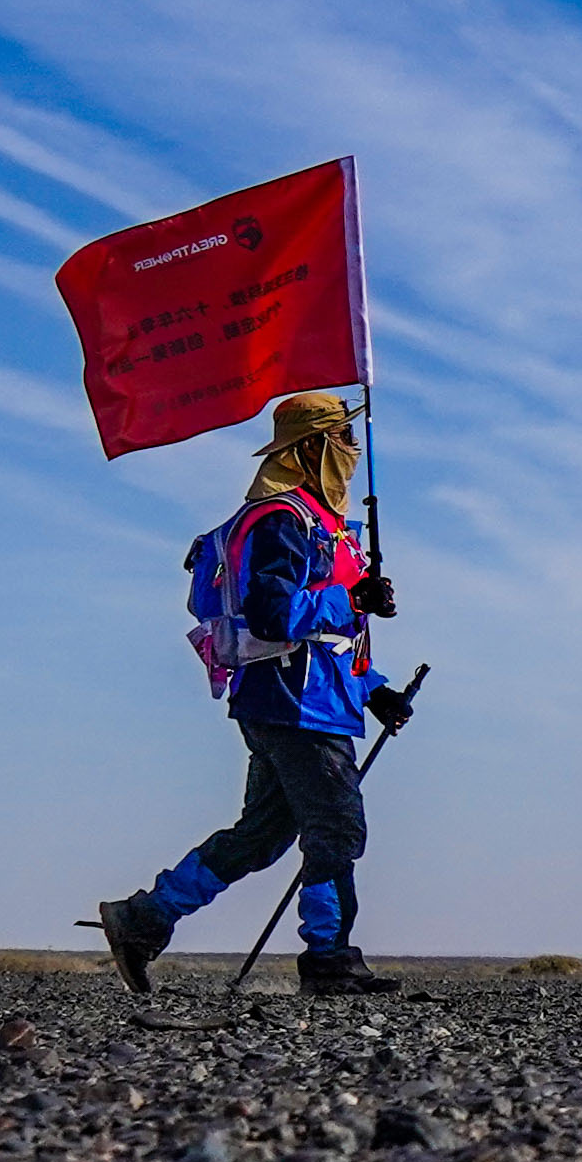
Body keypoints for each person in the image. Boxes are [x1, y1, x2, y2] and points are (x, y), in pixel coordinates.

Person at [93, 392, 413, 999]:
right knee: (336, 827)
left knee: (262, 836)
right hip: (297, 704)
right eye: (344, 439)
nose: (353, 449)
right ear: (315, 447)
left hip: (299, 697)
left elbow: (329, 639)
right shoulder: (281, 520)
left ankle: (141, 920)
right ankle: (329, 960)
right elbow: (272, 616)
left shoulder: (320, 524)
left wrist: (377, 692)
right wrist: (354, 600)